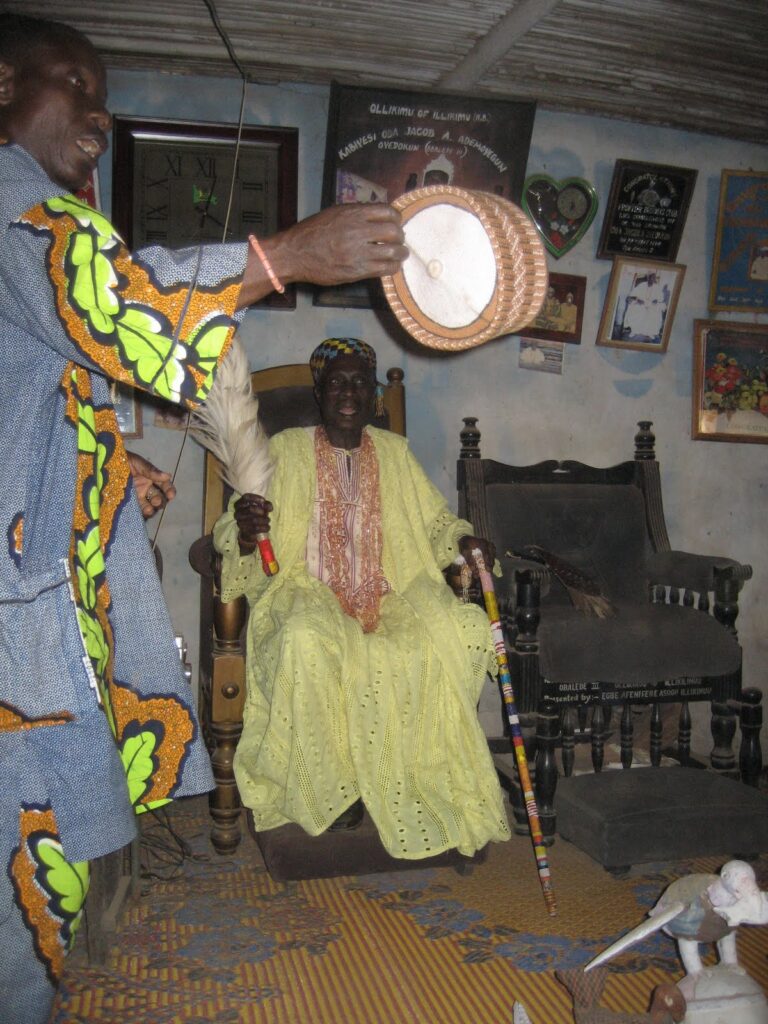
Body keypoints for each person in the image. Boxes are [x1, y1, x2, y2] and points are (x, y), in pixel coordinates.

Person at [0, 14, 406, 1023]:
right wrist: (283, 255)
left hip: (35, 592)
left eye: (104, 96)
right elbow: (117, 305)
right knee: (23, 860)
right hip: (15, 618)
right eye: (76, 84)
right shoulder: (14, 204)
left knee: (33, 852)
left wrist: (110, 464)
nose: (100, 114)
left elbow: (29, 401)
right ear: (3, 83)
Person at [214, 339, 511, 860]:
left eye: (360, 383)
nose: (348, 392)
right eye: (337, 382)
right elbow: (235, 530)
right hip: (306, 588)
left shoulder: (394, 453)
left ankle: (423, 775)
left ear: (375, 396)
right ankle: (334, 788)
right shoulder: (285, 449)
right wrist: (244, 530)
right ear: (320, 393)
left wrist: (463, 541)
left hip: (390, 589)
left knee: (461, 631)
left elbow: (435, 521)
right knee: (303, 639)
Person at [620, 271, 669, 342]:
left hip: (651, 304)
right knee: (635, 308)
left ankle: (650, 332)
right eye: (650, 277)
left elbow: (660, 298)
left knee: (656, 311)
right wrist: (638, 299)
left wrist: (656, 300)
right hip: (642, 303)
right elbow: (632, 296)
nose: (652, 279)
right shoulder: (642, 285)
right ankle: (635, 330)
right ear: (648, 278)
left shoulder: (657, 287)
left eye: (653, 278)